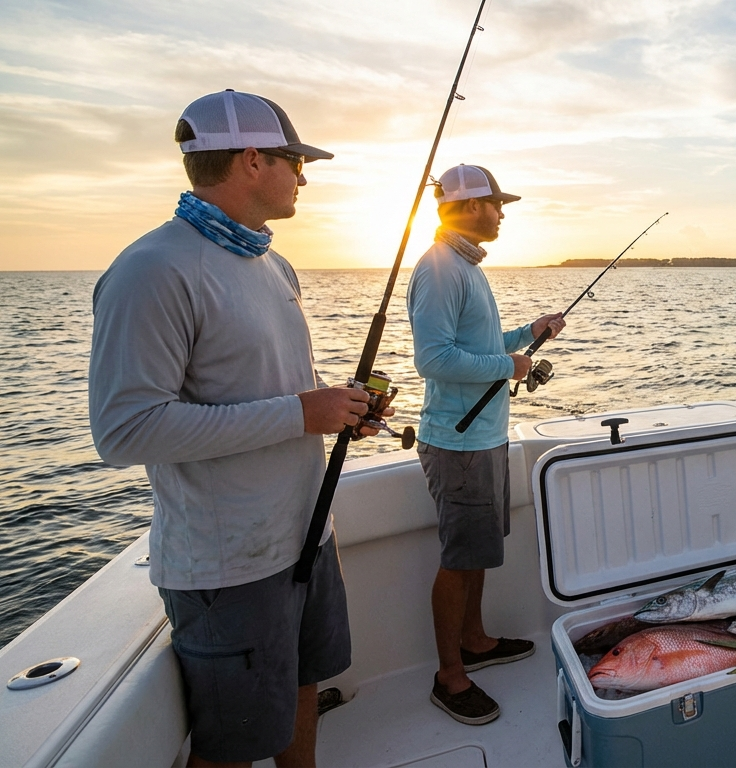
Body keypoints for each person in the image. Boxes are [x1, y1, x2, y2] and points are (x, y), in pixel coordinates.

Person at [89, 90, 376, 767]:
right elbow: (124, 430)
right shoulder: (150, 269)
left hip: (305, 535)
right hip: (230, 567)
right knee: (235, 742)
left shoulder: (274, 265)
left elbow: (271, 393)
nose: (303, 176)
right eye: (294, 160)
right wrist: (302, 413)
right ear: (252, 159)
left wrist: (340, 410)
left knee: (304, 686)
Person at [407, 164, 565, 726]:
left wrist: (528, 334)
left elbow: (477, 343)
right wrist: (511, 363)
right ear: (472, 205)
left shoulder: (466, 266)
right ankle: (449, 675)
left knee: (477, 551)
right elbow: (434, 359)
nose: (502, 214)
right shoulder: (441, 269)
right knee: (459, 559)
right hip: (459, 442)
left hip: (486, 436)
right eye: (498, 204)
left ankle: (474, 639)